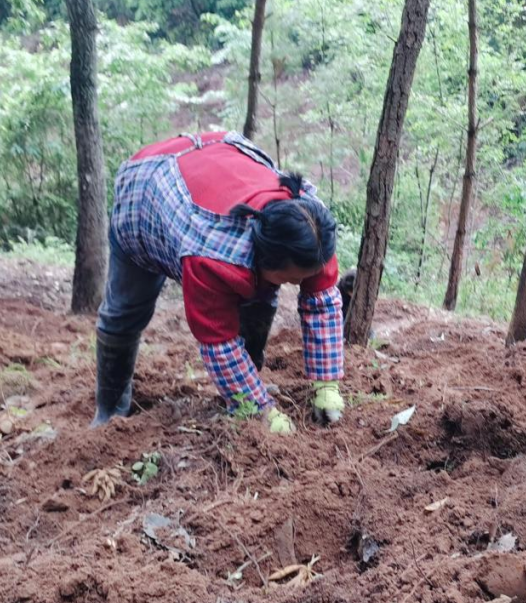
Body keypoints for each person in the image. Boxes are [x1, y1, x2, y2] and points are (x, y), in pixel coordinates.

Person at [92, 131, 345, 434]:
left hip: (215, 158)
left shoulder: (311, 229)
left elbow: (322, 303)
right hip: (146, 191)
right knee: (125, 310)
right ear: (262, 258)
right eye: (291, 278)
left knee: (260, 299)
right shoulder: (211, 258)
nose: (298, 283)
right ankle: (110, 410)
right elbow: (220, 342)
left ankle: (248, 383)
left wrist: (327, 384)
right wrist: (260, 411)